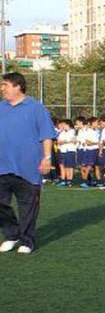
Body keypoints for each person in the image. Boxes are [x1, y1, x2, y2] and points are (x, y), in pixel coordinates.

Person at [0, 72, 55, 254]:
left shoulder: (36, 108)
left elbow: (46, 135)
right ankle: (11, 234)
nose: (2, 88)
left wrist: (47, 158)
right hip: (3, 165)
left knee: (28, 207)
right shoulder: (1, 108)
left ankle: (26, 240)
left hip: (28, 167)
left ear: (17, 86)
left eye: (5, 85)